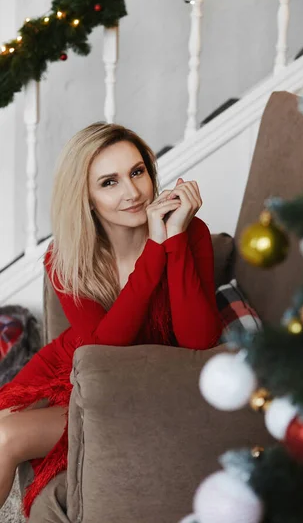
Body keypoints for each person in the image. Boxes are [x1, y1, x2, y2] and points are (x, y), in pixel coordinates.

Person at [0, 123, 223, 517]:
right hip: (73, 367)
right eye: (109, 182)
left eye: (137, 172)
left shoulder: (188, 233)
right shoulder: (65, 257)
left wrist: (166, 243)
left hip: (126, 385)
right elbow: (98, 345)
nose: (132, 192)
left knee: (6, 436)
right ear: (86, 197)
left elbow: (200, 341)